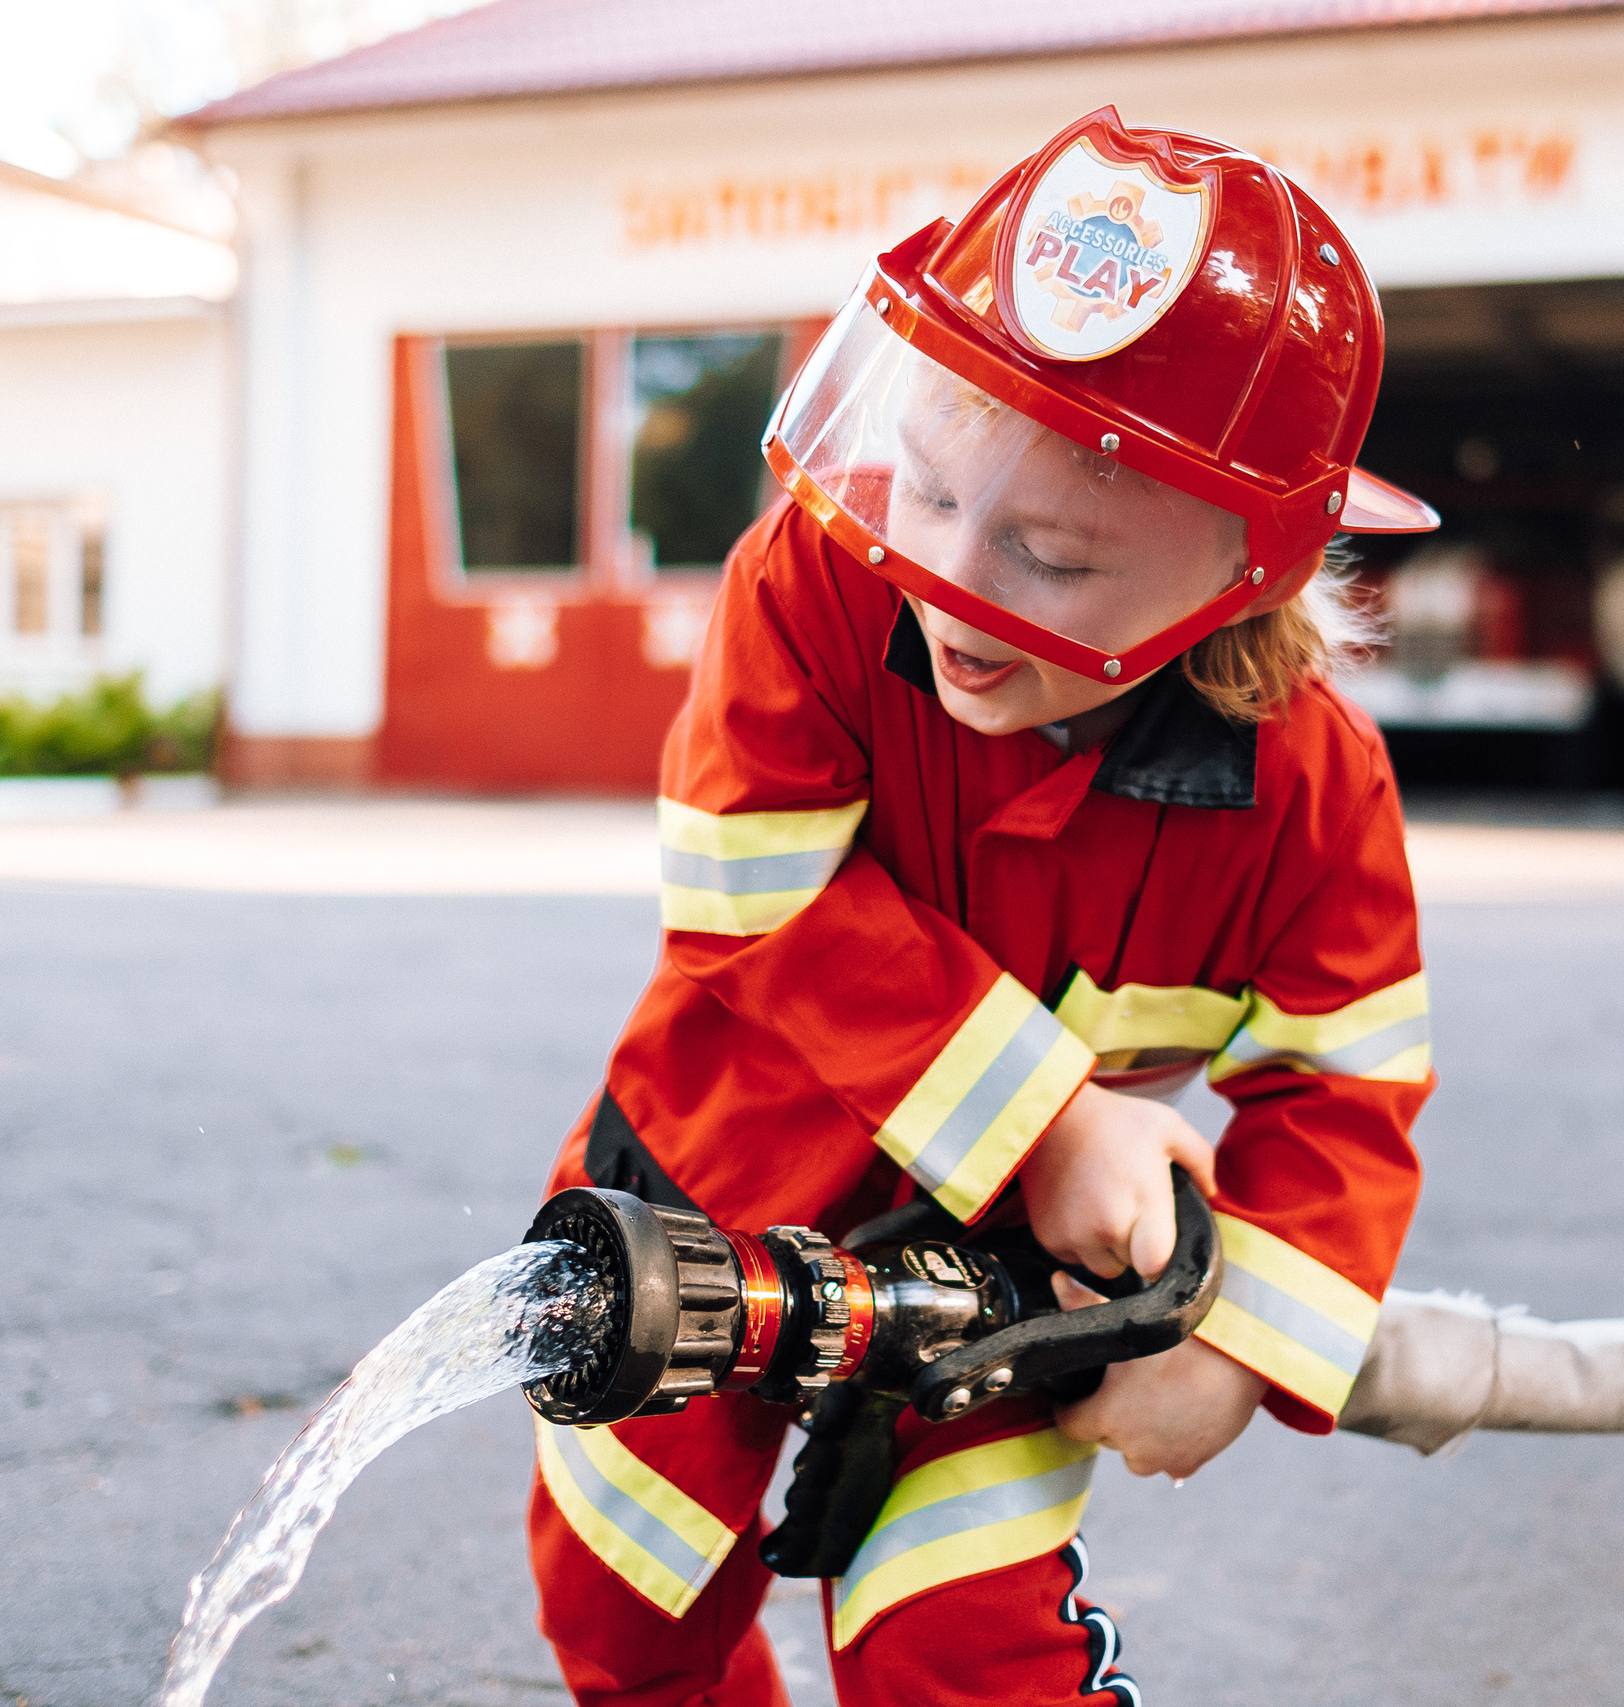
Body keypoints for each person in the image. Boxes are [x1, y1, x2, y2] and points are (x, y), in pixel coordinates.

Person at [527, 106, 1440, 1707]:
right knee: (626, 1616)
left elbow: (1345, 1088)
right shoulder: (818, 579)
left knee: (962, 1655)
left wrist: (1239, 1347)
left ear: (1251, 568)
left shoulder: (1312, 790)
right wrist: (1055, 1127)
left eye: (1051, 556)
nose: (952, 580)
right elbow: (749, 889)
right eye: (936, 491)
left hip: (1004, 1297)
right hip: (703, 1195)